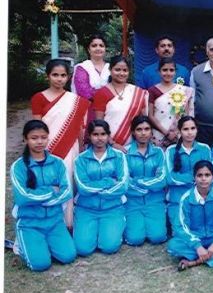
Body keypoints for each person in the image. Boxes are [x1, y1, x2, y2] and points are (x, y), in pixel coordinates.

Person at [31, 58, 90, 229]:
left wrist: (80, 149)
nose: (59, 79)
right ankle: (47, 223)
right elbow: (36, 128)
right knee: (49, 183)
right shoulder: (38, 98)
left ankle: (68, 223)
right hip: (46, 148)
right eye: (55, 75)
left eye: (63, 75)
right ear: (47, 76)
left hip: (71, 149)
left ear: (68, 77)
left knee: (68, 183)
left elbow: (80, 128)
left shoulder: (75, 100)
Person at [10, 120, 76, 271]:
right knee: (40, 265)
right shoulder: (18, 167)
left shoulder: (58, 163)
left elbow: (66, 192)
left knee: (68, 256)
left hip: (54, 221)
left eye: (43, 137)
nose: (39, 142)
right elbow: (22, 198)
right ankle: (22, 243)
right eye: (34, 138)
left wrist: (37, 196)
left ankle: (43, 244)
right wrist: (51, 190)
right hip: (30, 223)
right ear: (25, 139)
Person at [73, 120, 129, 256]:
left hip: (112, 208)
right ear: (90, 136)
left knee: (109, 248)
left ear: (108, 136)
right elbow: (83, 188)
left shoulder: (119, 156)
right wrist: (109, 181)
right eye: (95, 134)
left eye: (103, 134)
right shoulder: (80, 159)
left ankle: (111, 229)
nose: (99, 138)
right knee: (83, 250)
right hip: (86, 208)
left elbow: (123, 185)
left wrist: (96, 188)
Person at [124, 116, 167, 245]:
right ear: (133, 132)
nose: (143, 133)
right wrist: (149, 184)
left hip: (155, 201)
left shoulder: (159, 152)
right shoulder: (125, 152)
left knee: (158, 237)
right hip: (133, 202)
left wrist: (139, 182)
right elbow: (125, 181)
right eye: (139, 129)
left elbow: (162, 179)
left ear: (151, 132)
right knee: (135, 239)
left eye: (147, 129)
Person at [165, 116, 211, 235]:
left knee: (202, 233)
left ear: (197, 130)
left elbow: (209, 177)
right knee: (180, 235)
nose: (190, 132)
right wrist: (195, 177)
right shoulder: (170, 150)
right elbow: (170, 179)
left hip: (200, 201)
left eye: (193, 128)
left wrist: (184, 177)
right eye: (185, 129)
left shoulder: (204, 149)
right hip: (177, 201)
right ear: (179, 131)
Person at [94, 55, 148, 152]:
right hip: (108, 145)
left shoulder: (137, 92)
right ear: (110, 70)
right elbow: (99, 124)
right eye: (117, 69)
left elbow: (143, 121)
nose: (121, 73)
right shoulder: (102, 93)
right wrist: (112, 143)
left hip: (134, 146)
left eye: (125, 70)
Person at [147, 57, 194, 148]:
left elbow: (186, 115)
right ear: (159, 71)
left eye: (171, 70)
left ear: (175, 72)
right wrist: (166, 132)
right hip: (158, 135)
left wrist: (176, 132)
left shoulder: (183, 91)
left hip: (179, 134)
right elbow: (150, 115)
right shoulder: (152, 90)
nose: (168, 73)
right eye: (164, 70)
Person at [70, 34, 110, 124]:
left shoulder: (111, 68)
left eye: (101, 45)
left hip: (111, 110)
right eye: (94, 45)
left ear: (105, 49)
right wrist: (108, 93)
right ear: (88, 49)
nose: (98, 48)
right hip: (88, 111)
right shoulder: (82, 68)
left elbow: (118, 87)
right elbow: (84, 92)